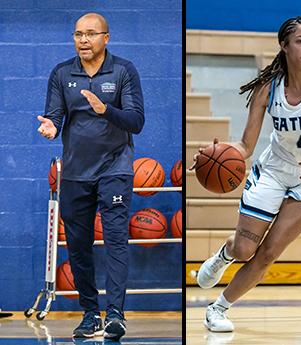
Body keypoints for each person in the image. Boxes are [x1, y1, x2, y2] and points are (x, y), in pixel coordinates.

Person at [189, 16, 301, 332]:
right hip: (274, 171)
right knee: (244, 249)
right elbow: (245, 145)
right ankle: (224, 255)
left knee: (268, 253)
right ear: (284, 45)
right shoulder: (268, 88)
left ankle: (218, 309)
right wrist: (213, 154)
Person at [37, 13, 144, 340]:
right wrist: (51, 127)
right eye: (78, 34)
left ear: (106, 38)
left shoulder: (124, 71)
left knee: (115, 240)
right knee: (79, 245)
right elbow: (54, 115)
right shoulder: (61, 73)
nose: (83, 40)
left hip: (115, 169)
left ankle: (115, 314)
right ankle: (89, 314)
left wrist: (105, 110)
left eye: (91, 34)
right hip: (75, 173)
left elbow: (136, 121)